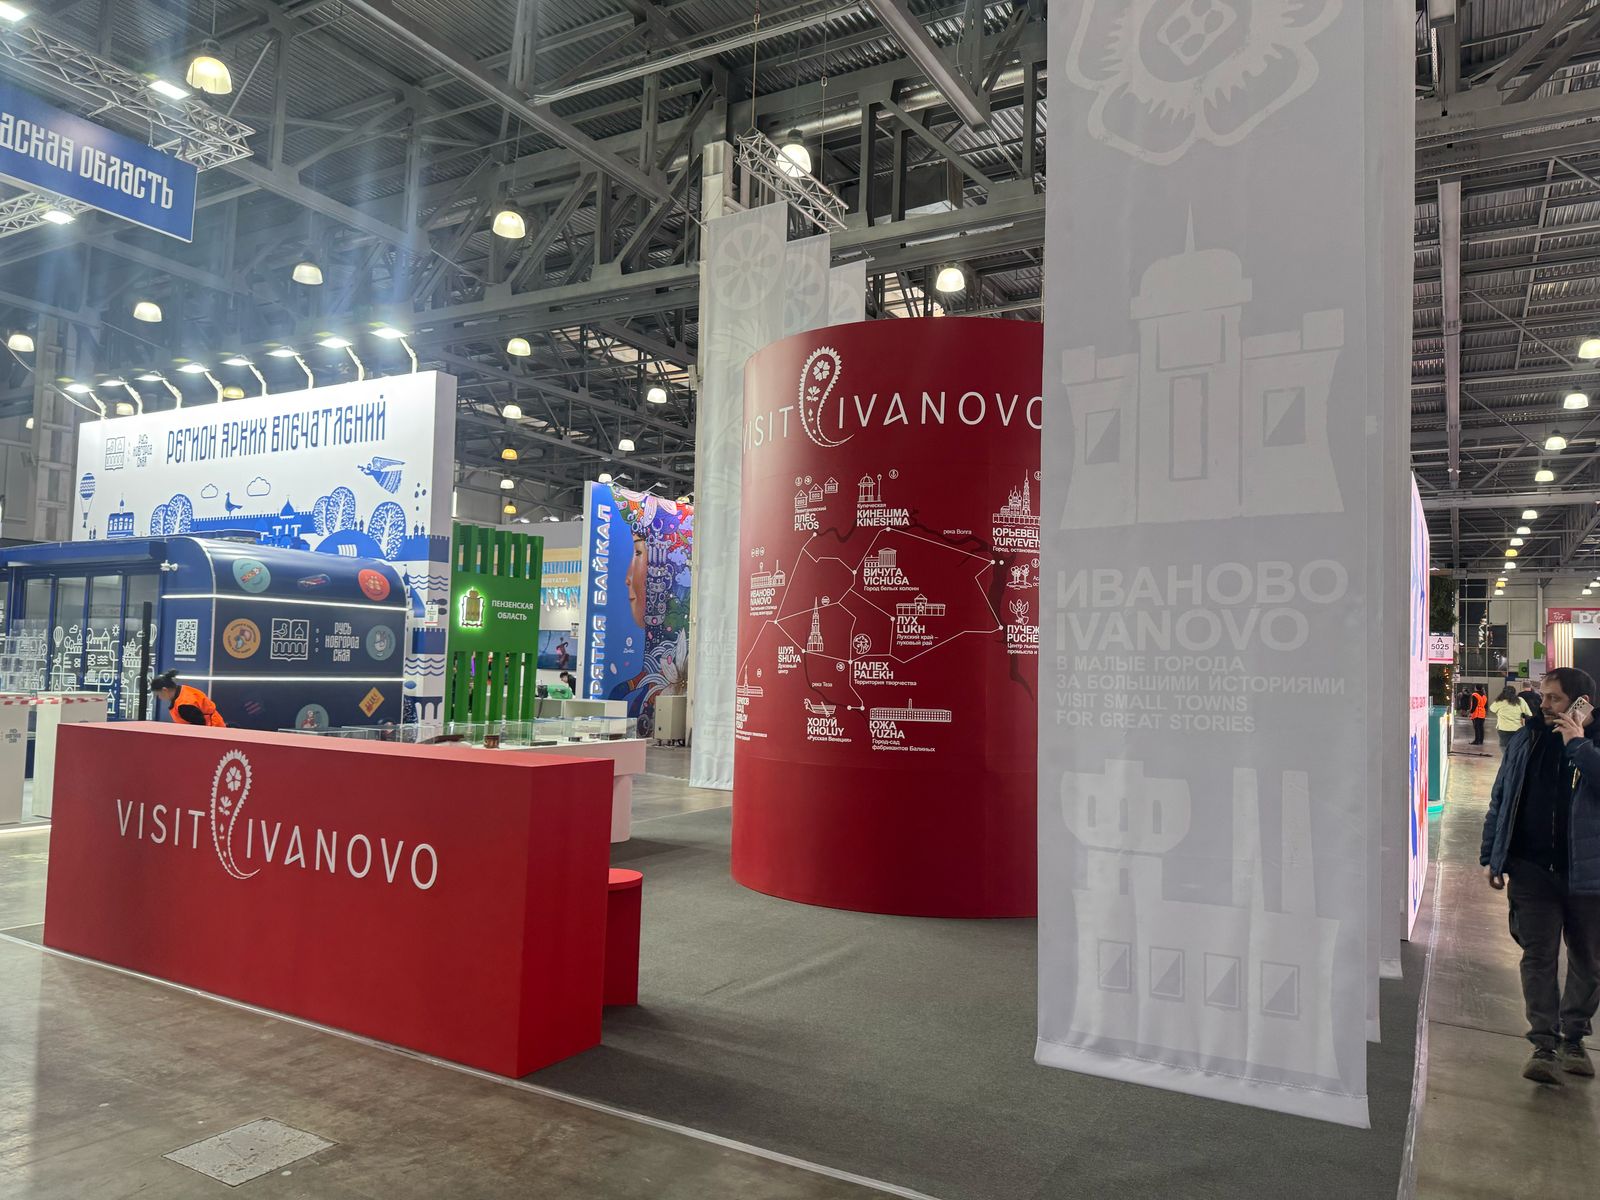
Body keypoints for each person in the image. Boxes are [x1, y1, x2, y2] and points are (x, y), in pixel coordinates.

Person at [1480, 665, 1600, 1084]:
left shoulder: (1592, 742)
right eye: (1543, 696)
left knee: (1588, 960)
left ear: (1582, 703)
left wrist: (1578, 745)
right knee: (1538, 957)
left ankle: (1574, 1037)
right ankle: (1543, 1044)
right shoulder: (1527, 738)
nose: (1543, 704)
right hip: (1531, 870)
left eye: (1554, 698)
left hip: (1589, 876)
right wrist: (1493, 855)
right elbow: (1502, 795)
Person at [149, 669, 225, 727]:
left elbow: (200, 727)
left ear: (164, 690)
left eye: (158, 694)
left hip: (213, 729)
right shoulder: (182, 690)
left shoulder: (184, 706)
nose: (159, 698)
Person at [1489, 684, 1531, 750]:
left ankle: (1506, 756)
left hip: (1503, 728)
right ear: (1514, 692)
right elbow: (1529, 714)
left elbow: (1492, 709)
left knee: (1504, 747)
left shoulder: (1499, 701)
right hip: (1517, 729)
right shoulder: (1520, 700)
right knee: (1516, 747)